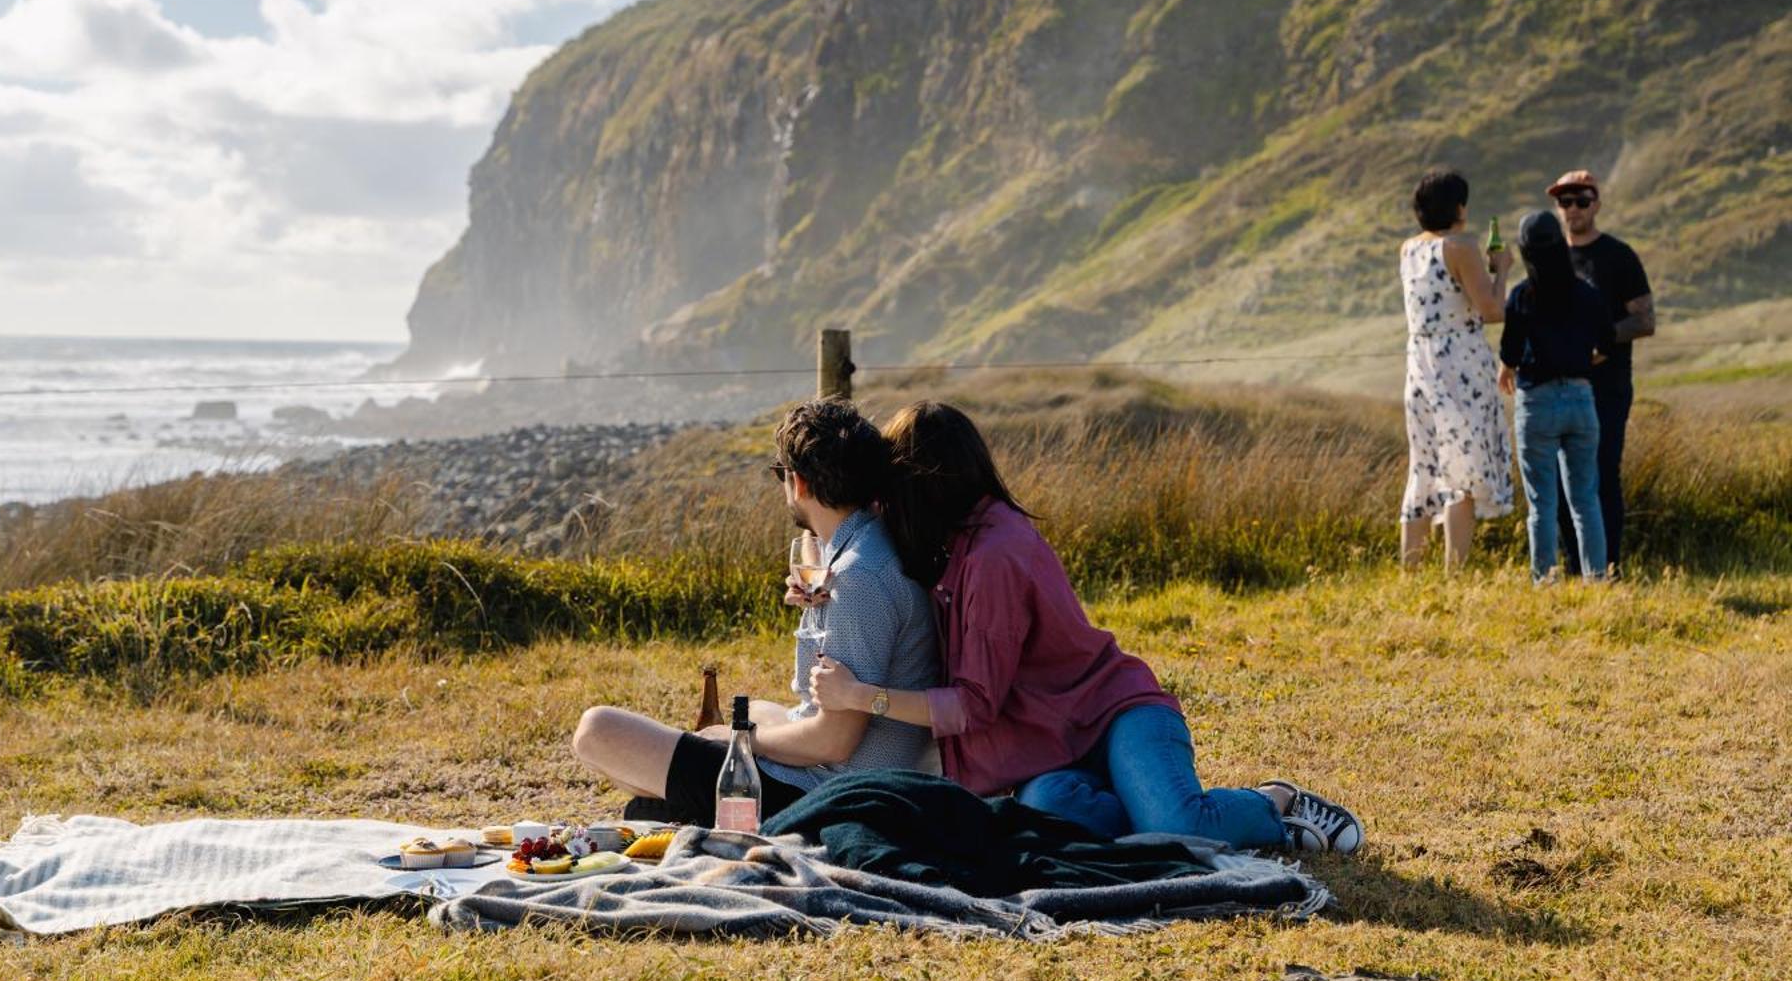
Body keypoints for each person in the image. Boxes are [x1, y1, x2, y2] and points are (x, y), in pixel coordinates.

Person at [806, 401, 1363, 853]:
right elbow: (865, 552)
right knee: (1050, 817)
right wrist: (818, 584)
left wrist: (862, 697)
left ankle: (1276, 802)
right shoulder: (951, 544)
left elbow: (975, 705)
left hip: (1117, 714)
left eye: (893, 490)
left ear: (921, 486)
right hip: (1054, 750)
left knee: (1182, 830)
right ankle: (1163, 808)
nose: (884, 506)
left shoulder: (994, 555)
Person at [571, 398, 941, 826]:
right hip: (845, 774)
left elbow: (834, 742)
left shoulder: (859, 579)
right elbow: (816, 536)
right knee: (758, 708)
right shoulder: (866, 544)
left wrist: (740, 741)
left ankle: (693, 807)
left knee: (596, 730)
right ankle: (682, 806)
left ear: (798, 483)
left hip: (827, 795)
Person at [1399, 169, 1515, 571]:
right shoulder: (1461, 247)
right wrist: (1501, 269)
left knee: (1424, 466)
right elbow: (1493, 311)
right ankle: (1454, 573)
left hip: (1419, 364)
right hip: (1459, 363)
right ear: (1459, 207)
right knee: (1461, 472)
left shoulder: (1408, 249)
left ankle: (1410, 570)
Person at [1547, 170, 1654, 575]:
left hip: (1607, 387)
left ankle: (1609, 567)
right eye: (1564, 201)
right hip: (1557, 385)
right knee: (1558, 480)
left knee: (1602, 473)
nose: (1572, 208)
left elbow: (1645, 320)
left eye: (1580, 200)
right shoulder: (1549, 256)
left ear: (1597, 203)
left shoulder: (1619, 256)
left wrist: (1603, 341)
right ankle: (1574, 567)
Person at [1497, 212, 1611, 581]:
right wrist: (1581, 359)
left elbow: (1510, 354)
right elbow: (1607, 344)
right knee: (1585, 499)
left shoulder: (1522, 296)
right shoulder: (1587, 293)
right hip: (1580, 397)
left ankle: (1544, 578)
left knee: (1541, 504)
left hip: (1538, 402)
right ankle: (1596, 577)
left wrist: (1507, 368)